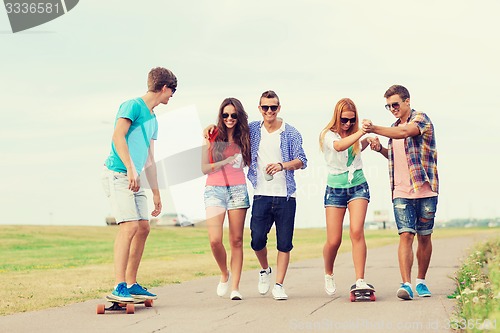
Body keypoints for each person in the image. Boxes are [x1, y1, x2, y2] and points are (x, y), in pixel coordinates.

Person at [102, 67, 177, 302]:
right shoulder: (132, 106)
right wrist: (130, 168)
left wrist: (156, 193)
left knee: (144, 227)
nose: (171, 96)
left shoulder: (153, 119)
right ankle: (119, 285)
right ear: (164, 87)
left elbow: (150, 158)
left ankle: (132, 283)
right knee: (129, 227)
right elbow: (117, 136)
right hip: (118, 173)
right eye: (171, 91)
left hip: (136, 178)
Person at [362, 84, 438, 300]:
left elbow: (406, 132)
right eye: (388, 106)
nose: (392, 108)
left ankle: (421, 281)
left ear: (407, 101)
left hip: (425, 189)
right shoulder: (393, 127)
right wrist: (380, 150)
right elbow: (397, 157)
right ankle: (406, 284)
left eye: (395, 104)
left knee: (424, 237)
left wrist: (373, 128)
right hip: (401, 191)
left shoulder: (420, 119)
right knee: (406, 234)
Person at [247, 90, 307, 300]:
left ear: (279, 108)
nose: (269, 111)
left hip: (286, 196)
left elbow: (302, 160)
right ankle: (265, 269)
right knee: (256, 240)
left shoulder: (290, 133)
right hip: (261, 194)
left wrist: (282, 165)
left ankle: (279, 285)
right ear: (260, 109)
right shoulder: (253, 129)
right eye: (265, 107)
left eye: (273, 107)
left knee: (284, 243)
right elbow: (231, 131)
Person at [319, 98, 376, 296]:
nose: (348, 124)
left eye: (352, 120)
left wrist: (369, 140)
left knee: (356, 231)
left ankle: (360, 280)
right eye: (344, 120)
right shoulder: (327, 135)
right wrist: (362, 132)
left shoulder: (354, 134)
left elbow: (355, 149)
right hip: (335, 189)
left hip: (358, 185)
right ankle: (328, 272)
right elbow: (339, 147)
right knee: (334, 240)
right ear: (337, 116)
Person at [201, 98, 251, 301]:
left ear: (239, 116)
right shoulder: (212, 135)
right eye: (225, 115)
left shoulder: (246, 136)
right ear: (220, 116)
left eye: (233, 115)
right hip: (214, 190)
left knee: (236, 240)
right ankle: (224, 273)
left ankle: (236, 288)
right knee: (214, 240)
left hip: (238, 190)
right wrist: (226, 161)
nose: (229, 118)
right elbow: (204, 168)